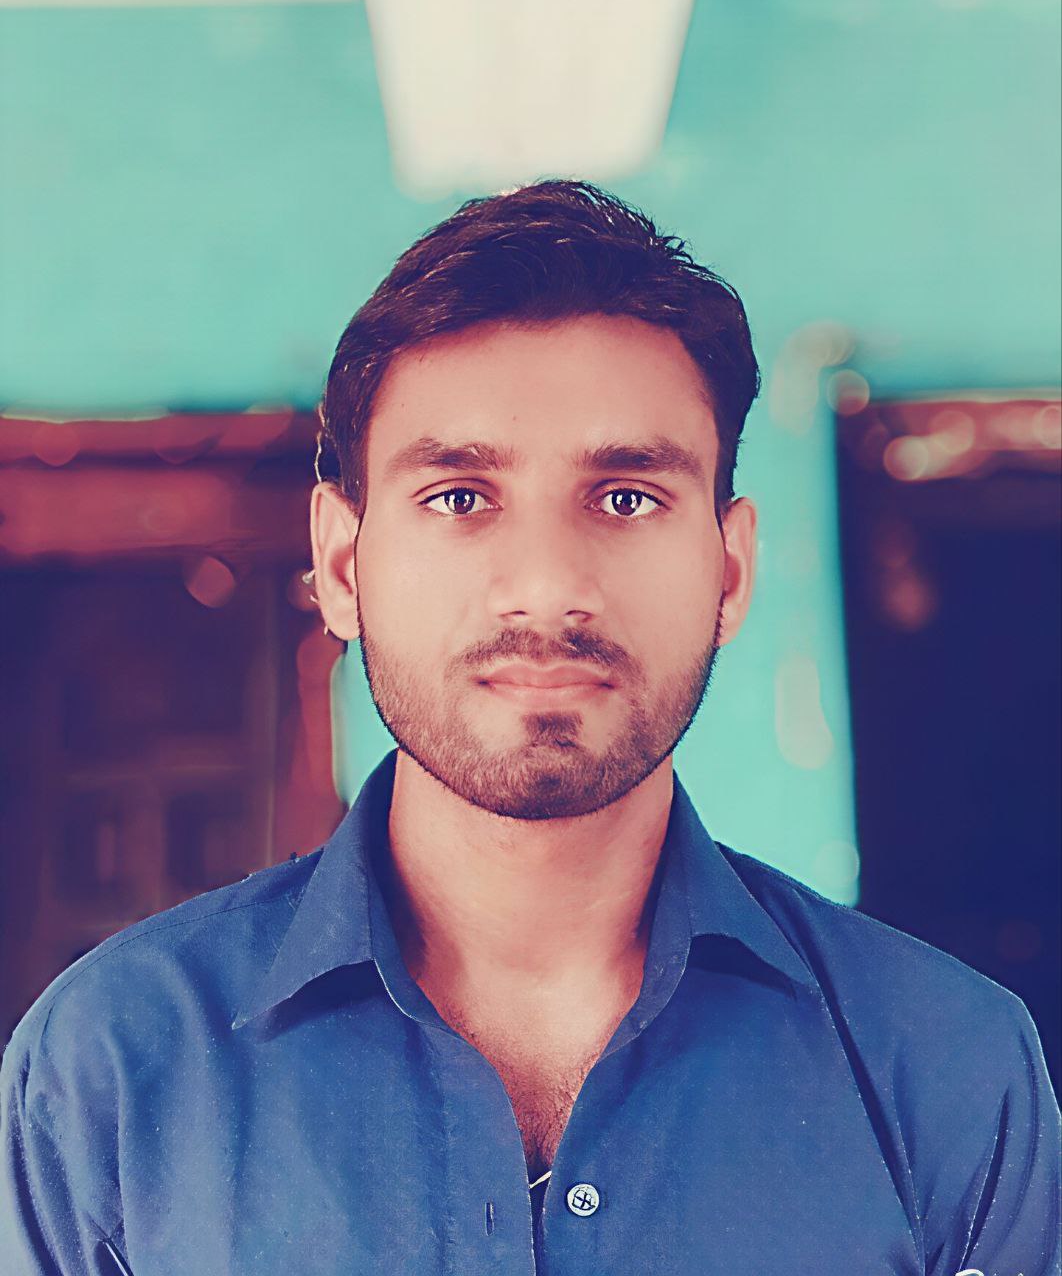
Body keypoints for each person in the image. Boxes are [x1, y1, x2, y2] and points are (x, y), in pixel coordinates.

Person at [1, 180, 1058, 1276]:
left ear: (730, 569)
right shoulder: (109, 1071)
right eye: (459, 496)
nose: (547, 585)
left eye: (627, 497)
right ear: (344, 566)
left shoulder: (946, 1070)